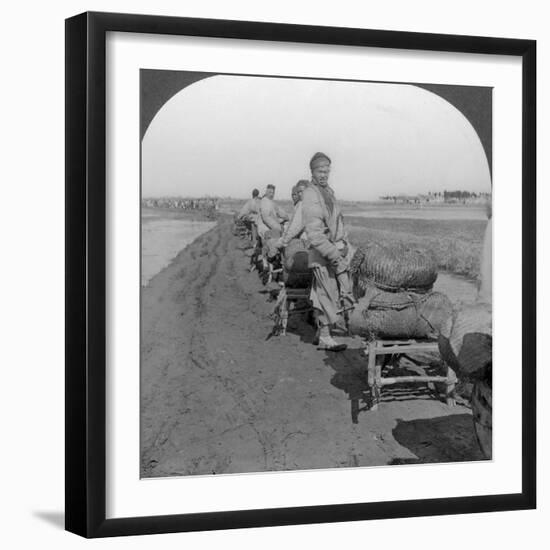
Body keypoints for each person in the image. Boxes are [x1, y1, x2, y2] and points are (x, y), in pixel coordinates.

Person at [301, 152, 355, 351]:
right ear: (312, 172)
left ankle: (328, 330)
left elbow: (338, 221)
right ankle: (324, 336)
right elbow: (315, 235)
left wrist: (345, 244)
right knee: (326, 294)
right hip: (323, 254)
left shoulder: (328, 192)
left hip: (336, 251)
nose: (323, 174)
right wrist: (334, 255)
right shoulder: (310, 194)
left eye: (326, 171)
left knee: (342, 291)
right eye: (319, 171)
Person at [278, 180, 309, 248]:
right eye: (298, 192)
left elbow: (295, 227)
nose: (300, 194)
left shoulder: (303, 204)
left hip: (307, 242)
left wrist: (284, 241)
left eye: (302, 191)